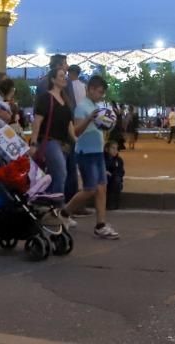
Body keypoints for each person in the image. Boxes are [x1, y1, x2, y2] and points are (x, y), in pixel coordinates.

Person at [62, 74, 120, 239]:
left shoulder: (99, 106)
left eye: (102, 92)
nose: (101, 95)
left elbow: (101, 127)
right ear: (90, 89)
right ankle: (65, 212)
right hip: (85, 153)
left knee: (102, 188)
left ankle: (101, 224)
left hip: (97, 152)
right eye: (99, 92)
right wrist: (90, 118)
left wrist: (108, 124)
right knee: (90, 189)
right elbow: (77, 131)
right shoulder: (82, 107)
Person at [31, 60, 75, 199]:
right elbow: (37, 122)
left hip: (63, 143)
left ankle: (48, 205)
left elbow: (69, 122)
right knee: (61, 173)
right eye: (61, 76)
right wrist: (33, 143)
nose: (64, 78)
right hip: (49, 141)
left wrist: (74, 139)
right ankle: (58, 208)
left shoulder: (65, 99)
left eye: (65, 76)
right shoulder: (46, 98)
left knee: (54, 175)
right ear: (53, 79)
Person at [104, 139, 125, 210]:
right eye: (113, 148)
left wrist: (112, 174)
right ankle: (104, 202)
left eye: (116, 148)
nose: (115, 150)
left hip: (114, 180)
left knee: (116, 180)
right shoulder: (102, 159)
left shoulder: (119, 160)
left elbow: (121, 172)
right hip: (104, 180)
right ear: (106, 149)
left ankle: (113, 204)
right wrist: (104, 171)